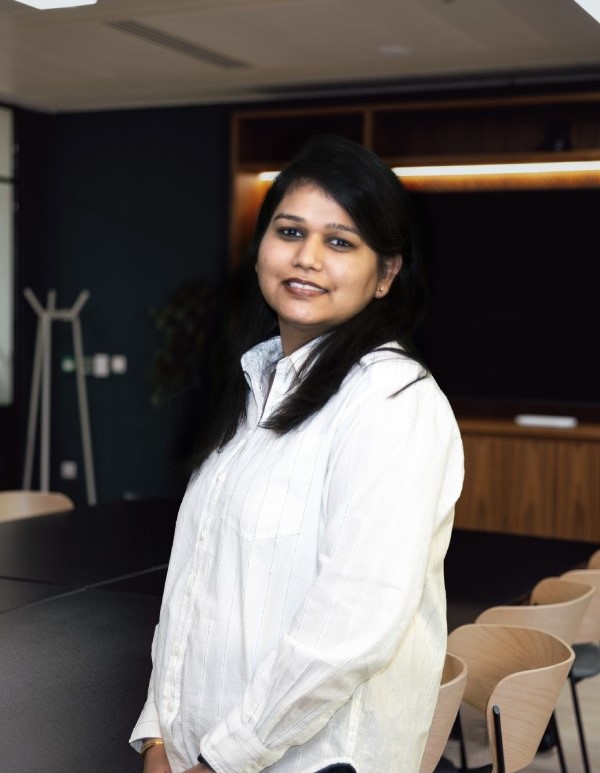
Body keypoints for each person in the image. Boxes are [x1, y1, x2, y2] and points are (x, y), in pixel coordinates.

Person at [130, 134, 464, 773]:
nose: (307, 258)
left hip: (309, 760)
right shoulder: (253, 388)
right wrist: (159, 734)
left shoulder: (392, 402)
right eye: (290, 232)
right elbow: (192, 588)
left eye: (340, 242)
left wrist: (221, 760)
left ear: (386, 274)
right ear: (261, 247)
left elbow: (353, 624)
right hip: (195, 750)